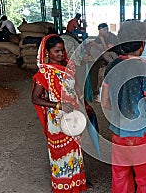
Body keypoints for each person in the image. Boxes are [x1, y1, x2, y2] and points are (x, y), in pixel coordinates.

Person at [101, 20, 146, 193]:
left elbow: (105, 102)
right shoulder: (145, 69)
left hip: (118, 133)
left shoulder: (111, 67)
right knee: (145, 181)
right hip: (141, 135)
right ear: (142, 45)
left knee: (120, 179)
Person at [31, 34, 87, 193]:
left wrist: (83, 103)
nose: (61, 54)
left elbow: (74, 88)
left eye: (62, 50)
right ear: (47, 52)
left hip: (73, 116)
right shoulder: (45, 73)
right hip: (57, 119)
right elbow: (35, 99)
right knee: (60, 153)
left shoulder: (68, 68)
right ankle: (63, 185)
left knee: (74, 149)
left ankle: (75, 183)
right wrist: (58, 105)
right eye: (57, 51)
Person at [84, 23, 119, 101]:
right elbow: (90, 45)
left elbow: (108, 49)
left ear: (106, 30)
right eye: (99, 30)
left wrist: (102, 40)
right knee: (93, 48)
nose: (100, 32)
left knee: (105, 54)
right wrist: (86, 54)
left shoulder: (111, 37)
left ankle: (112, 64)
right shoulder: (99, 37)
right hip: (103, 54)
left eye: (101, 30)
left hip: (113, 54)